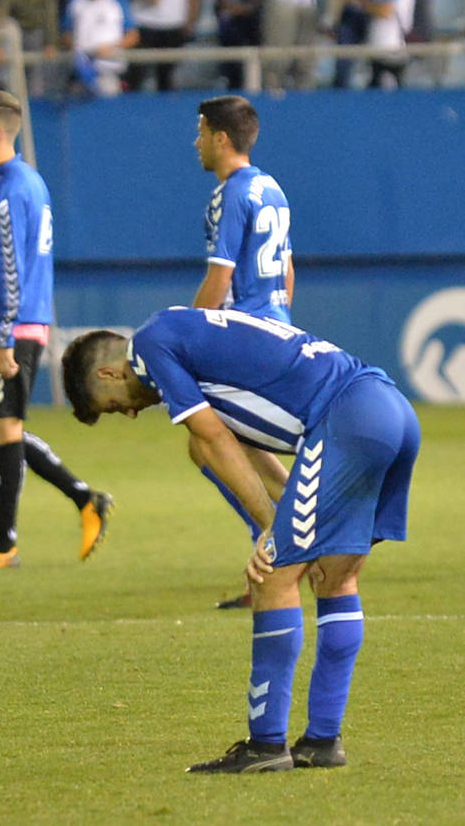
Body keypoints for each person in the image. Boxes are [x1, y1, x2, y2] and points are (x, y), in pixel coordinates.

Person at [61, 306, 420, 771]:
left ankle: (266, 746)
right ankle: (321, 741)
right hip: (390, 410)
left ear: (110, 371)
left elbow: (211, 438)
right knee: (334, 577)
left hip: (346, 417)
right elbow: (234, 444)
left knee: (272, 576)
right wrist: (288, 524)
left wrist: (272, 530)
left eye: (114, 404)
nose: (129, 413)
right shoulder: (192, 337)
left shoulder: (151, 345)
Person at [0, 90, 113, 571]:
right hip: (14, 324)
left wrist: (1, 337)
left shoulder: (11, 188)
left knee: (4, 427)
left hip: (11, 328)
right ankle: (83, 499)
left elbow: (12, 270)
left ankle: (4, 545)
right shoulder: (18, 183)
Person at [192, 95, 294, 607]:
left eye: (201, 131)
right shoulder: (272, 188)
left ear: (221, 138)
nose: (196, 142)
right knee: (240, 445)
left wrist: (187, 334)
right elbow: (288, 271)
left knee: (206, 443)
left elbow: (221, 276)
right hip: (275, 328)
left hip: (243, 336)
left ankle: (288, 535)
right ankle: (284, 539)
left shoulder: (229, 194)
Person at [61, 0, 139, 98]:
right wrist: (78, 49)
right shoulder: (75, 2)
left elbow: (133, 35)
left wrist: (112, 48)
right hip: (81, 73)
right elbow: (65, 34)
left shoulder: (117, 0)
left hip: (109, 70)